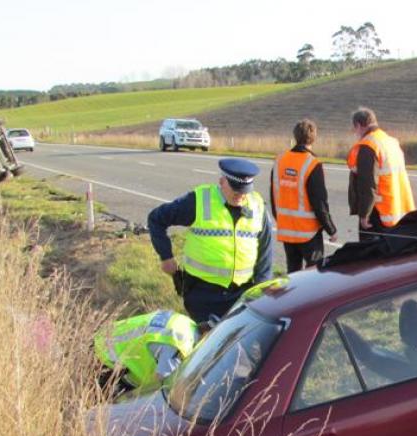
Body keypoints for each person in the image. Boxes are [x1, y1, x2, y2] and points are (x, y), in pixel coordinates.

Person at [148, 158, 274, 323]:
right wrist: (166, 257)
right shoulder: (199, 200)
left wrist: (261, 288)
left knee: (240, 345)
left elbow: (265, 248)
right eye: (235, 190)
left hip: (242, 294)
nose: (240, 196)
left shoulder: (257, 205)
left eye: (244, 191)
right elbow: (156, 219)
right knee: (209, 345)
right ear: (222, 182)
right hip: (204, 295)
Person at [270, 119, 338, 272]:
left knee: (293, 275)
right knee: (313, 275)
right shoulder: (312, 164)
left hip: (287, 229)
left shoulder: (279, 161)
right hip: (309, 233)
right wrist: (331, 229)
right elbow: (319, 202)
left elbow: (273, 195)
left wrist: (281, 219)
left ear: (295, 136)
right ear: (314, 138)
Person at [347, 107, 415, 240]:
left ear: (358, 125)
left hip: (378, 212)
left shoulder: (368, 145)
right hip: (396, 208)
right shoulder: (391, 141)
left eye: (354, 129)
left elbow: (368, 183)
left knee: (371, 256)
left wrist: (364, 214)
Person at [94, 309, 199, 391]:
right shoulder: (178, 346)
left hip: (106, 334)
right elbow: (163, 387)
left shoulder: (187, 324)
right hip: (105, 357)